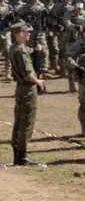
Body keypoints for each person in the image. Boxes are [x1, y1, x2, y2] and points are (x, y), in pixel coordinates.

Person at [9, 21, 46, 165]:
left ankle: (18, 155)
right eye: (26, 32)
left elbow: (25, 53)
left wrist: (35, 49)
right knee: (27, 122)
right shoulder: (20, 50)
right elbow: (28, 73)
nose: (28, 34)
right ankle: (22, 157)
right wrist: (38, 82)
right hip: (27, 89)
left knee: (19, 120)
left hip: (20, 88)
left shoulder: (15, 48)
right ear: (18, 34)